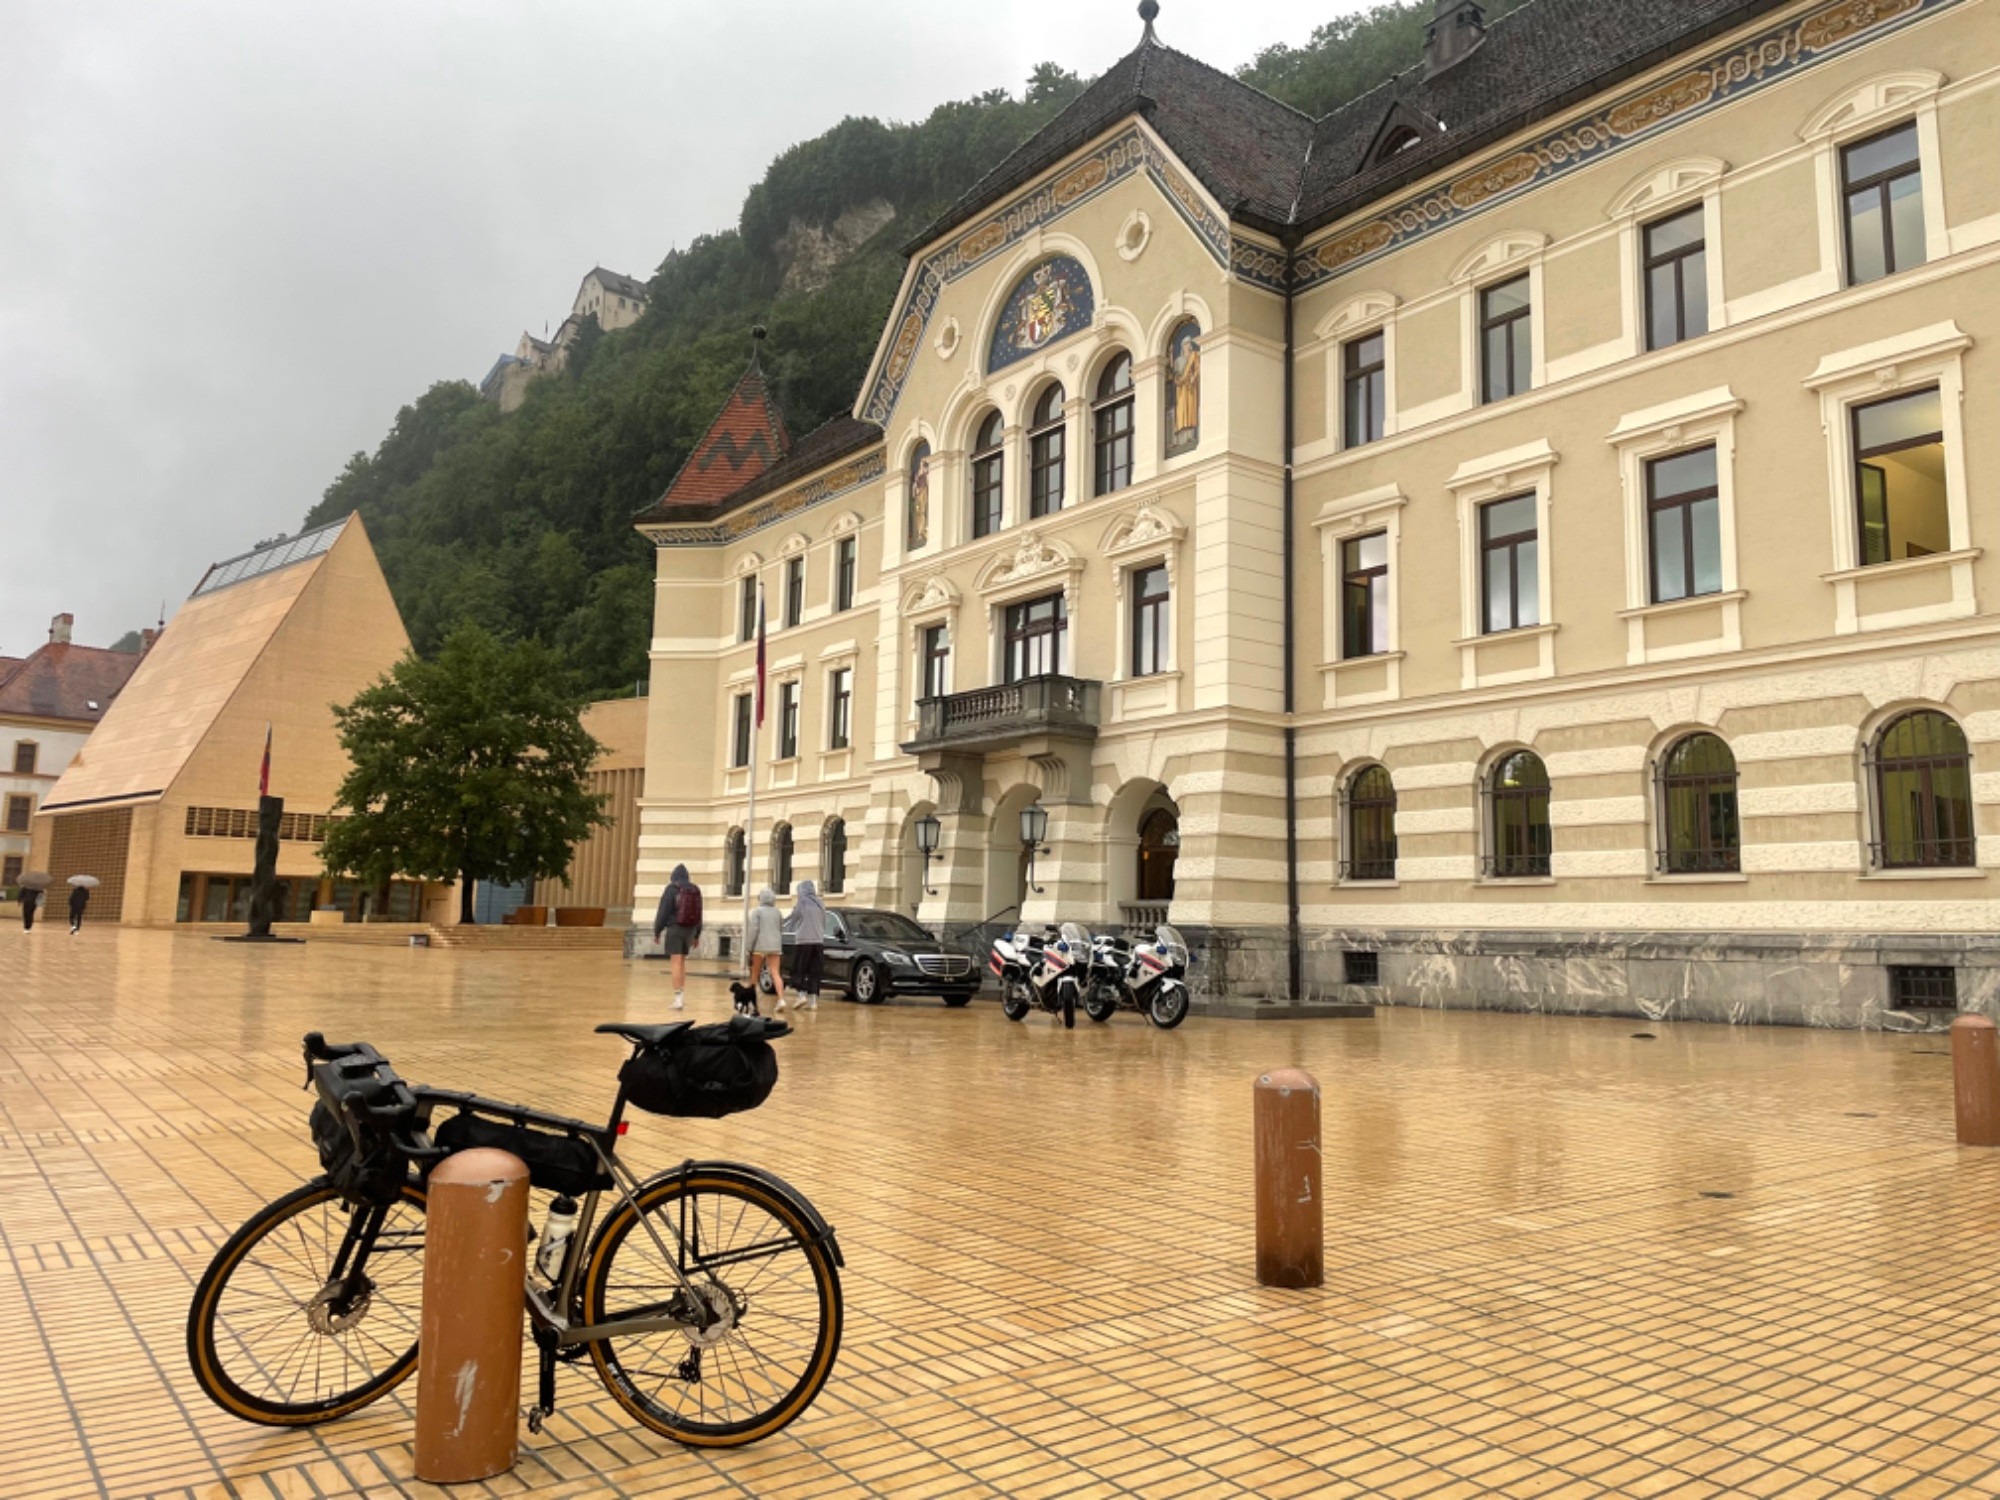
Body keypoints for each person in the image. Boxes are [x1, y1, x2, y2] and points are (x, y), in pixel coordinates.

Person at [652, 863, 703, 1010]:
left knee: (675, 962)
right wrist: (697, 934)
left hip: (675, 928)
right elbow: (699, 912)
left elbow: (663, 912)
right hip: (690, 929)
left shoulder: (671, 889)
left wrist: (657, 931)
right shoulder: (695, 889)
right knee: (682, 962)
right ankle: (681, 996)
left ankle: (678, 999)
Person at [744, 886, 786, 1013]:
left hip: (759, 947)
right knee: (775, 973)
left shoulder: (757, 912)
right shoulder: (778, 912)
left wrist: (748, 948)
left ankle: (751, 1002)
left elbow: (753, 931)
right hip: (775, 947)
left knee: (754, 976)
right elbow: (781, 929)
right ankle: (781, 1000)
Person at [790, 879, 826, 1013]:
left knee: (799, 970)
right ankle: (814, 1002)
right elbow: (824, 923)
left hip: (803, 941)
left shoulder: (802, 903)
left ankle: (801, 995)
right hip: (818, 942)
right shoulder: (820, 904)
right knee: (815, 972)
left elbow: (793, 919)